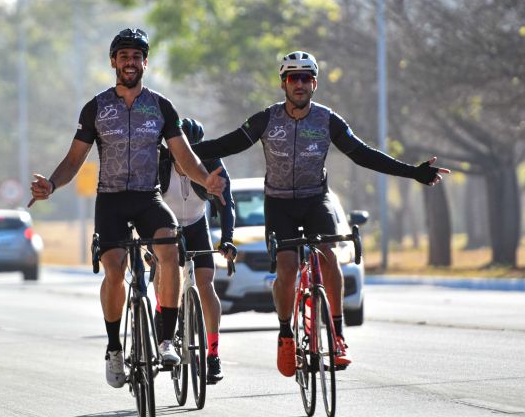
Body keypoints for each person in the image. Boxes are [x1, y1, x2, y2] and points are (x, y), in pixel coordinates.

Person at [192, 51, 450, 377]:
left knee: (329, 254)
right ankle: (286, 333)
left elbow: (363, 155)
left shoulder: (328, 120)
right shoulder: (266, 119)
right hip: (280, 203)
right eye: (292, 78)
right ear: (283, 83)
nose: (299, 84)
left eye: (305, 78)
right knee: (286, 266)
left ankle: (338, 336)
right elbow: (224, 145)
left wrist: (412, 172)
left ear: (314, 83)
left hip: (317, 200)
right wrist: (173, 150)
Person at [28, 28, 226, 388]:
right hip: (112, 199)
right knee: (115, 270)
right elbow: (74, 159)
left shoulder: (161, 107)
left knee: (170, 251)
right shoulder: (97, 108)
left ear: (145, 62)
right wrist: (52, 185)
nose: (130, 62)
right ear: (113, 62)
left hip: (148, 197)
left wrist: (206, 179)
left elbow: (184, 156)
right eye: (124, 56)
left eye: (136, 56)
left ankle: (166, 340)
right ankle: (115, 348)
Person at [153, 118, 236, 384]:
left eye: (196, 152)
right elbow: (143, 206)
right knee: (163, 271)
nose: (190, 158)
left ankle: (213, 354)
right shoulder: (159, 164)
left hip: (197, 226)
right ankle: (162, 314)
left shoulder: (211, 163)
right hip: (166, 226)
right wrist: (146, 244)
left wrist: (227, 239)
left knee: (206, 283)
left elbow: (227, 203)